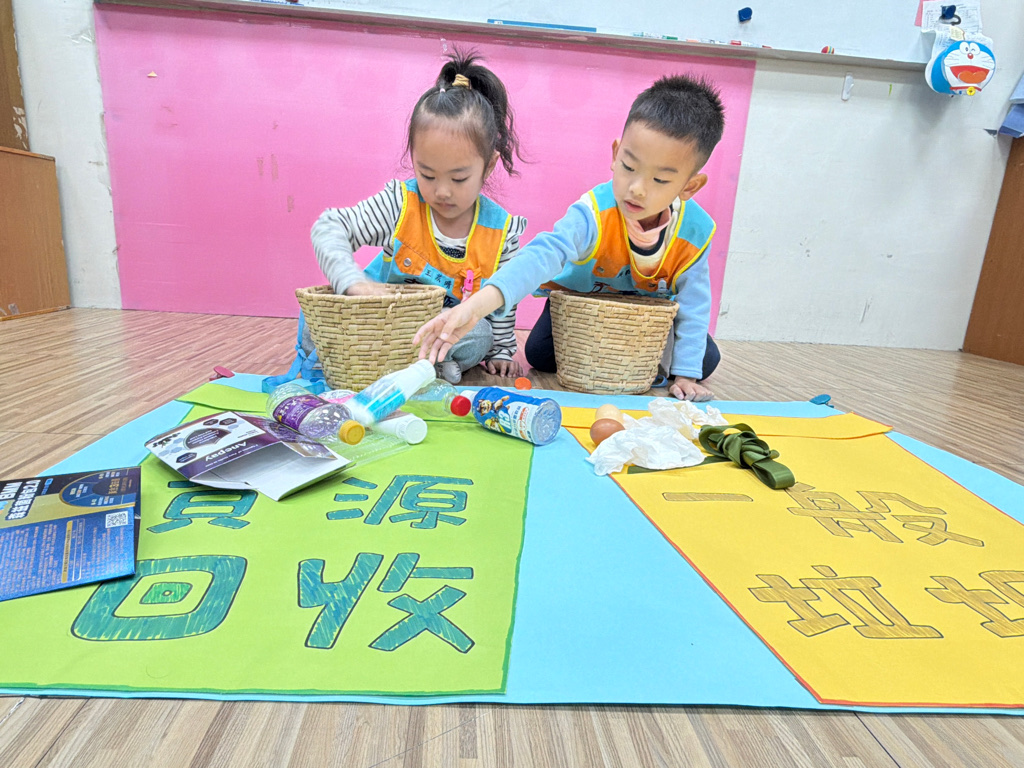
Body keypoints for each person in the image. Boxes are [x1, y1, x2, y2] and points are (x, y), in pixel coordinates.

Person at [414, 74, 725, 401]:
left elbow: (694, 303)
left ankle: (638, 357)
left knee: (704, 358)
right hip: (583, 309)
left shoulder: (694, 232)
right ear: (616, 154)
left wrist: (686, 376)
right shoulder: (593, 213)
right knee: (541, 353)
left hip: (646, 323)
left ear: (689, 186)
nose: (637, 189)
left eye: (660, 180)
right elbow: (541, 255)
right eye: (629, 167)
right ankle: (623, 356)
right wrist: (475, 307)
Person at [304, 50, 527, 385]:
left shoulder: (501, 232)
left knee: (480, 333)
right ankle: (425, 368)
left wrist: (502, 351)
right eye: (427, 174)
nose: (442, 192)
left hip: (441, 331)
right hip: (381, 323)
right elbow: (329, 226)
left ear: (489, 166)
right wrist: (353, 284)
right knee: (312, 323)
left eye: (458, 178)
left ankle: (407, 366)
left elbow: (502, 296)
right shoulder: (400, 203)